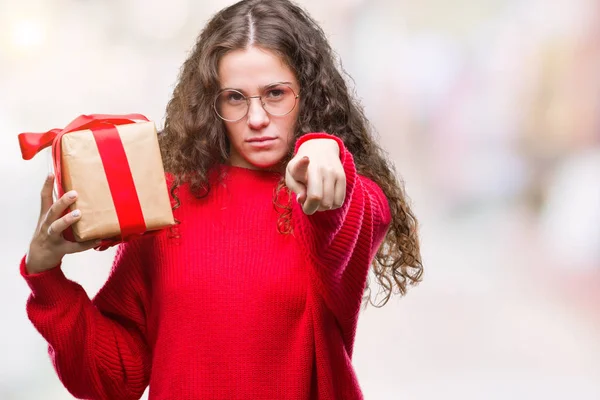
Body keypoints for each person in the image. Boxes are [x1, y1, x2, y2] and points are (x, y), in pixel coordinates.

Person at [21, 0, 422, 399]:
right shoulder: (168, 201)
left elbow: (345, 214)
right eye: (235, 97)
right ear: (212, 103)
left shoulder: (345, 200)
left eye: (276, 93)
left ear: (310, 94)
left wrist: (324, 149)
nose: (258, 118)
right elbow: (114, 377)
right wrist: (47, 277)